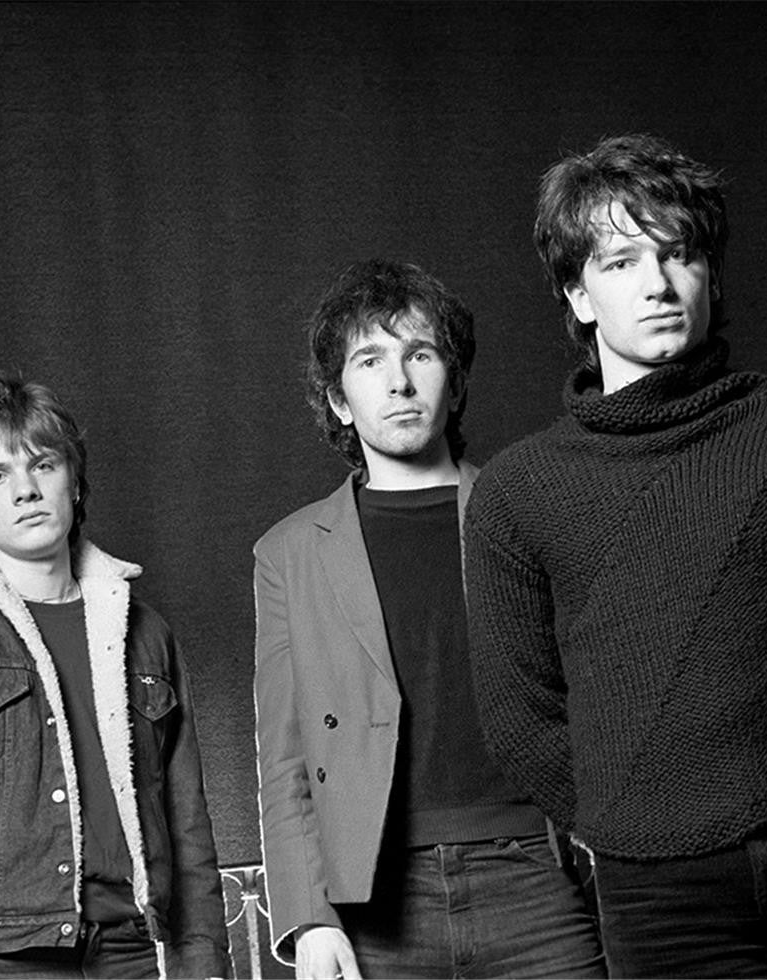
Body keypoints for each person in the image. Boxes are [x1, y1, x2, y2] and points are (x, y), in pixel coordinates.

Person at [462, 132, 767, 978]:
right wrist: (640, 823)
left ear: (712, 276)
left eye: (680, 255)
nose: (658, 284)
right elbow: (521, 720)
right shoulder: (516, 492)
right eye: (621, 263)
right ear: (578, 296)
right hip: (661, 901)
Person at [253, 259, 604, 980]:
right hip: (378, 898)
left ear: (456, 381)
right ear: (340, 401)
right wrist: (309, 919)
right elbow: (284, 755)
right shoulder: (289, 554)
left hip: (537, 876)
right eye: (370, 360)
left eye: (419, 354)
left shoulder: (527, 509)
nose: (399, 382)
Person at [0, 374, 229, 979]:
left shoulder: (145, 630)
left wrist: (205, 961)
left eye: (43, 465)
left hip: (133, 952)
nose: (26, 490)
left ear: (74, 483)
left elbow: (187, 820)